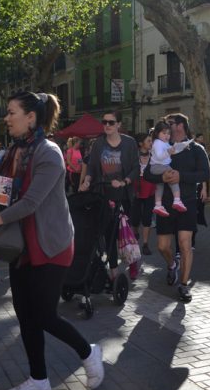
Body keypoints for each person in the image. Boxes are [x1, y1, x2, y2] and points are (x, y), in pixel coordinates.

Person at [0, 91, 104, 390]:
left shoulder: (49, 153)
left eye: (11, 112)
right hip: (22, 247)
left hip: (51, 246)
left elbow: (31, 203)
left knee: (45, 315)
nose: (5, 118)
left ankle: (88, 353)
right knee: (24, 314)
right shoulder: (12, 154)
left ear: (31, 117)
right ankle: (39, 379)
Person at [143, 113, 210, 303]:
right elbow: (148, 173)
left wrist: (182, 177)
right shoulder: (162, 147)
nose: (166, 126)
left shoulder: (196, 149)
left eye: (170, 124)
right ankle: (172, 265)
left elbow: (205, 173)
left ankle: (184, 284)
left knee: (184, 243)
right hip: (164, 204)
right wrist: (160, 178)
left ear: (180, 126)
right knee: (162, 246)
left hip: (187, 201)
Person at [80, 111, 139, 280]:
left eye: (111, 122)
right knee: (109, 234)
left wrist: (124, 181)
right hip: (104, 194)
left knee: (125, 232)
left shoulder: (129, 143)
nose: (107, 125)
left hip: (124, 195)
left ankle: (132, 260)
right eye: (104, 122)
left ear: (119, 125)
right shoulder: (98, 144)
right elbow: (91, 167)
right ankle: (113, 271)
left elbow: (136, 168)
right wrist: (87, 181)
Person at [149, 121, 189, 217]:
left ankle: (158, 205)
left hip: (157, 167)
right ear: (157, 133)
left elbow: (172, 151)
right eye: (164, 133)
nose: (167, 136)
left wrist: (182, 147)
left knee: (160, 185)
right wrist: (169, 152)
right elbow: (159, 156)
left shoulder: (164, 142)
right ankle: (177, 200)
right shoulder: (158, 143)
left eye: (168, 133)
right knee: (173, 177)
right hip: (160, 166)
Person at [131, 132, 155, 258]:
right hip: (137, 191)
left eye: (151, 141)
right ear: (141, 143)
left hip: (150, 190)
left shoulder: (154, 155)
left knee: (147, 219)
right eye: (149, 141)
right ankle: (135, 234)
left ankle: (145, 244)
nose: (151, 143)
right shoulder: (134, 156)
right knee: (135, 219)